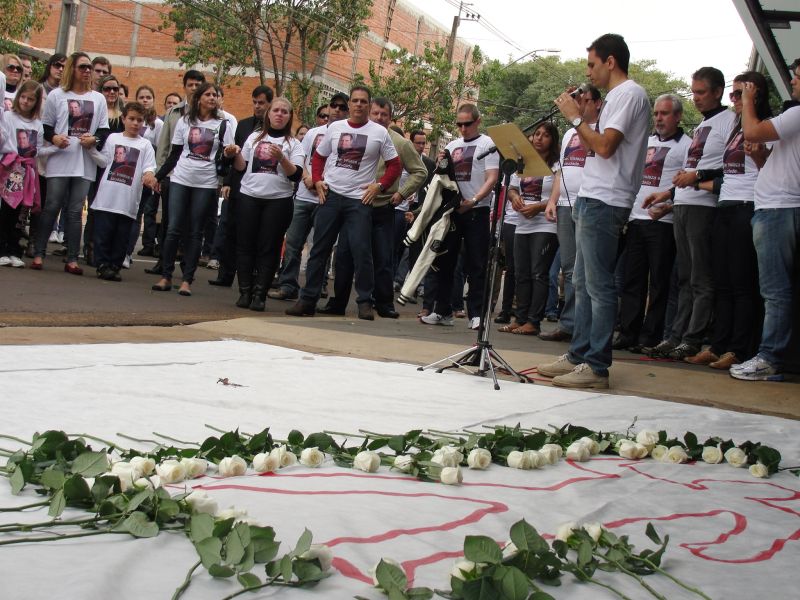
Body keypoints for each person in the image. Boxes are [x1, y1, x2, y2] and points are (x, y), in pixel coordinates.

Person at [537, 33, 650, 389]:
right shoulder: (616, 98)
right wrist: (581, 116)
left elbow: (604, 147)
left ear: (610, 61)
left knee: (599, 287)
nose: (589, 72)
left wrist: (574, 119)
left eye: (591, 64)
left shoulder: (630, 94)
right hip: (592, 196)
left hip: (608, 199)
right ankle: (579, 354)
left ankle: (597, 365)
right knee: (582, 284)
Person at [642, 67, 737, 360]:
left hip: (703, 208)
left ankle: (693, 338)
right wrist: (668, 196)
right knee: (683, 277)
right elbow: (689, 172)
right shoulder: (702, 125)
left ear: (718, 91)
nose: (695, 98)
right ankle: (676, 336)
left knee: (700, 277)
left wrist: (695, 178)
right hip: (682, 204)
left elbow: (731, 166)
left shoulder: (729, 121)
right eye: (693, 92)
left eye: (701, 92)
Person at [680, 72, 772, 370]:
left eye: (740, 93)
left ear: (756, 94)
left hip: (750, 204)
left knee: (742, 282)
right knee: (722, 280)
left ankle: (739, 347)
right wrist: (700, 177)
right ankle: (719, 343)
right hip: (725, 203)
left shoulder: (763, 126)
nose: (735, 100)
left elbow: (768, 163)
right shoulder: (734, 127)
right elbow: (721, 168)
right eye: (733, 94)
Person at [285, 85, 401, 319]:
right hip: (331, 196)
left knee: (362, 252)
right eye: (355, 101)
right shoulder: (335, 128)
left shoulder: (379, 132)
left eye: (363, 101)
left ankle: (364, 303)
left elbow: (395, 165)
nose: (359, 104)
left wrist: (379, 187)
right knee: (319, 249)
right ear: (350, 105)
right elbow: (318, 156)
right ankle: (307, 300)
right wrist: (317, 181)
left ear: (369, 105)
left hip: (359, 201)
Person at [322, 97, 427, 318]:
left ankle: (384, 303)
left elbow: (420, 172)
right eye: (376, 113)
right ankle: (338, 302)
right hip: (355, 203)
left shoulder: (401, 143)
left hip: (382, 207)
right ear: (370, 113)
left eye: (384, 115)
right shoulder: (359, 135)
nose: (379, 118)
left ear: (391, 118)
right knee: (345, 255)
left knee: (382, 257)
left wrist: (401, 193)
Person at [729, 59, 800, 381]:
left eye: (797, 77)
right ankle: (774, 355)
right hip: (774, 206)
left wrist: (747, 100)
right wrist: (759, 155)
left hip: (780, 209)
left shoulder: (797, 113)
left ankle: (770, 356)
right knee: (776, 288)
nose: (793, 82)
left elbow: (754, 129)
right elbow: (773, 160)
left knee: (776, 290)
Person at [613, 94, 690, 353]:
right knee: (632, 281)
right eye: (656, 113)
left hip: (664, 222)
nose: (658, 118)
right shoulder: (644, 142)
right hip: (636, 220)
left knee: (659, 283)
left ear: (678, 116)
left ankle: (650, 336)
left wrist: (669, 204)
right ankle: (628, 333)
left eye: (664, 113)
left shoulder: (687, 145)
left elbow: (690, 184)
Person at [420, 103, 499, 330]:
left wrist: (474, 200)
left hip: (477, 209)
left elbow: (492, 178)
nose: (463, 129)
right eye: (459, 124)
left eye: (467, 124)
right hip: (452, 209)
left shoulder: (487, 144)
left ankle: (476, 313)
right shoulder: (453, 146)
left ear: (477, 121)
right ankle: (442, 310)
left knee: (476, 263)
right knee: (445, 261)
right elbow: (441, 176)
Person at [152, 82, 234, 296]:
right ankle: (166, 276)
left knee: (195, 231)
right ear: (198, 98)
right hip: (181, 178)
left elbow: (226, 159)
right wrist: (158, 176)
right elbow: (175, 153)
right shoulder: (184, 121)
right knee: (173, 228)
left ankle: (187, 279)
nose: (211, 98)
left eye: (215, 94)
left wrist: (229, 154)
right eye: (207, 94)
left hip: (205, 182)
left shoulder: (223, 124)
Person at [31, 51, 109, 275]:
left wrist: (94, 139)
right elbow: (45, 127)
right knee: (52, 206)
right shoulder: (57, 95)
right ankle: (38, 253)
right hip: (60, 159)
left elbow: (104, 130)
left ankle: (72, 259)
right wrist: (54, 137)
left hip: (85, 162)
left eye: (89, 68)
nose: (87, 71)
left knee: (75, 212)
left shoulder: (98, 99)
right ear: (72, 70)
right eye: (82, 67)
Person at [269, 92, 349, 302]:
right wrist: (307, 178)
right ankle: (288, 285)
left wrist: (322, 183)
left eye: (342, 107)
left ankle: (316, 287)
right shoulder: (314, 133)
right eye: (334, 106)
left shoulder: (349, 136)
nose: (337, 110)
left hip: (327, 198)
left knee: (320, 247)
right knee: (293, 242)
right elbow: (302, 158)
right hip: (304, 196)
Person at [228, 97, 304, 310]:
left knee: (269, 248)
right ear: (268, 114)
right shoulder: (253, 137)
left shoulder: (293, 144)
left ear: (289, 117)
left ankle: (260, 294)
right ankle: (245, 292)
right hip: (249, 196)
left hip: (278, 201)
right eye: (276, 110)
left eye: (284, 112)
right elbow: (242, 166)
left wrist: (281, 158)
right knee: (245, 245)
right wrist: (232, 154)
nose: (279, 114)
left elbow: (295, 175)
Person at [540, 85, 602, 343]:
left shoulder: (600, 130)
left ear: (597, 103)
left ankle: (582, 326)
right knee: (568, 267)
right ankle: (568, 324)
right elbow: (561, 172)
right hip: (565, 204)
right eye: (576, 100)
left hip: (589, 203)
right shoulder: (568, 135)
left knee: (584, 270)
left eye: (583, 100)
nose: (578, 104)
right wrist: (553, 200)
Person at [499, 123, 560, 336]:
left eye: (545, 135)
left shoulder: (556, 165)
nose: (539, 138)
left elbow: (558, 195)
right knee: (520, 273)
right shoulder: (523, 162)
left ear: (553, 140)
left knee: (538, 273)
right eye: (536, 134)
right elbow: (513, 188)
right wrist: (515, 198)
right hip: (522, 224)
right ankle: (520, 318)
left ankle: (534, 322)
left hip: (545, 224)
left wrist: (539, 206)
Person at [210, 84, 274, 287]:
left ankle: (251, 278)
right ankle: (225, 274)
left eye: (261, 103)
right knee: (230, 228)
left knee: (255, 234)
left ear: (270, 103)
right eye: (254, 102)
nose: (257, 106)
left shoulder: (273, 129)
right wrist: (227, 182)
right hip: (238, 183)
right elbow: (233, 154)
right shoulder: (244, 125)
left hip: (261, 187)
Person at [146, 70, 206, 276]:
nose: (194, 88)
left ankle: (186, 267)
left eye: (198, 84)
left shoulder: (212, 116)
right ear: (185, 87)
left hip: (198, 178)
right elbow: (164, 146)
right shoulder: (174, 113)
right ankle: (163, 261)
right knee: (169, 222)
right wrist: (159, 174)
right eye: (190, 84)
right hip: (172, 175)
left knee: (191, 224)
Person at [91, 102, 157, 281]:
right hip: (107, 197)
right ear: (123, 119)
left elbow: (149, 166)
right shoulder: (113, 138)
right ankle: (102, 264)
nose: (135, 123)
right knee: (103, 233)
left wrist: (149, 175)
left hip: (128, 201)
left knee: (122, 236)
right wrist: (90, 150)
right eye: (132, 119)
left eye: (139, 120)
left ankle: (115, 265)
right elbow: (104, 161)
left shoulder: (145, 145)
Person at [0, 81, 55, 268]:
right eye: (23, 97)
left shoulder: (38, 125)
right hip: (9, 168)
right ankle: (2, 249)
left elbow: (37, 150)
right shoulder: (8, 117)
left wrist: (56, 148)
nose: (25, 101)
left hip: (27, 173)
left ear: (36, 102)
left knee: (20, 213)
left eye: (30, 99)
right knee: (6, 210)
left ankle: (14, 250)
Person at [128, 85, 163, 258]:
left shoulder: (158, 124)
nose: (145, 100)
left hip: (149, 172)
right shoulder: (131, 121)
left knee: (147, 210)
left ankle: (147, 244)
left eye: (148, 97)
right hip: (129, 172)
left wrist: (156, 175)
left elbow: (161, 150)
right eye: (141, 97)